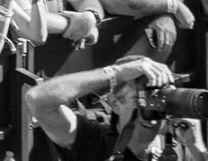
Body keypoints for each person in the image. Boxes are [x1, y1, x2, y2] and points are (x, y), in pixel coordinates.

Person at [24, 57, 186, 161]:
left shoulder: (171, 145)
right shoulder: (97, 141)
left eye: (157, 100)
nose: (150, 112)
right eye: (139, 101)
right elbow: (37, 99)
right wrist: (116, 73)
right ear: (115, 103)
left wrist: (195, 148)